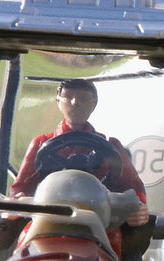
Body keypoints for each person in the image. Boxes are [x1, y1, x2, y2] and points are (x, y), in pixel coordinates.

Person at [10, 79, 149, 227]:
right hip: (47, 219)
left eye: (84, 98)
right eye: (68, 97)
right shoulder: (40, 143)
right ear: (58, 101)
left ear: (94, 103)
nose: (75, 103)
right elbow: (20, 188)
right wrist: (18, 200)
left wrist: (139, 207)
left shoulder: (111, 146)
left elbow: (133, 186)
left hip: (101, 222)